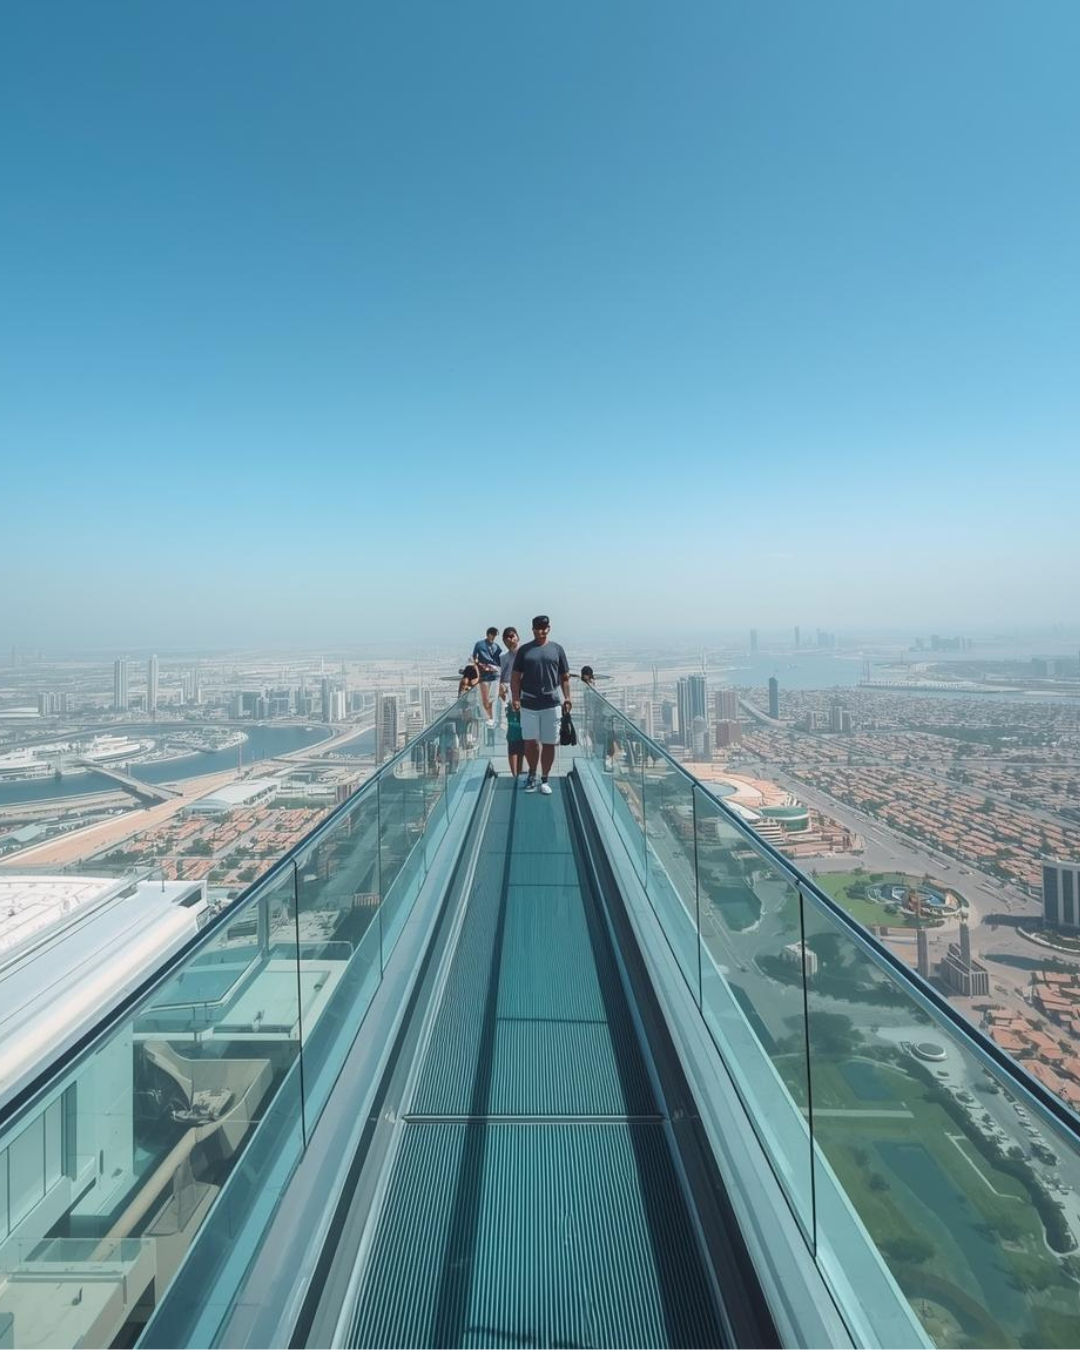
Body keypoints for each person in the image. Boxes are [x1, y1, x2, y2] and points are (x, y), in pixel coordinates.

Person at [511, 614, 571, 796]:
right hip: (529, 704)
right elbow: (515, 677)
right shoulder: (524, 651)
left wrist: (567, 697)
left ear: (549, 628)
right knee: (530, 742)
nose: (542, 631)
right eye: (538, 628)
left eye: (545, 628)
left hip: (551, 703)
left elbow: (565, 677)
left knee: (549, 742)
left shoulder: (557, 649)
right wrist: (515, 697)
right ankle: (532, 774)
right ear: (533, 629)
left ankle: (545, 778)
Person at [498, 628, 526, 779]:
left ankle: (523, 771)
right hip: (511, 700)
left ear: (517, 637)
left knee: (526, 737)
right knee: (514, 736)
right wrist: (501, 689)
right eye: (506, 638)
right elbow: (499, 679)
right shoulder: (503, 659)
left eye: (511, 636)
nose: (509, 639)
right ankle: (515, 774)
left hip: (526, 699)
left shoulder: (527, 655)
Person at [471, 627, 502, 727]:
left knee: (493, 697)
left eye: (495, 635)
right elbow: (474, 659)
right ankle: (488, 717)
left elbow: (499, 662)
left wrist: (494, 667)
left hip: (495, 675)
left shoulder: (497, 647)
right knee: (485, 699)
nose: (493, 637)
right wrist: (481, 666)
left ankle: (491, 718)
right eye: (492, 635)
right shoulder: (479, 645)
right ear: (488, 634)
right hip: (484, 675)